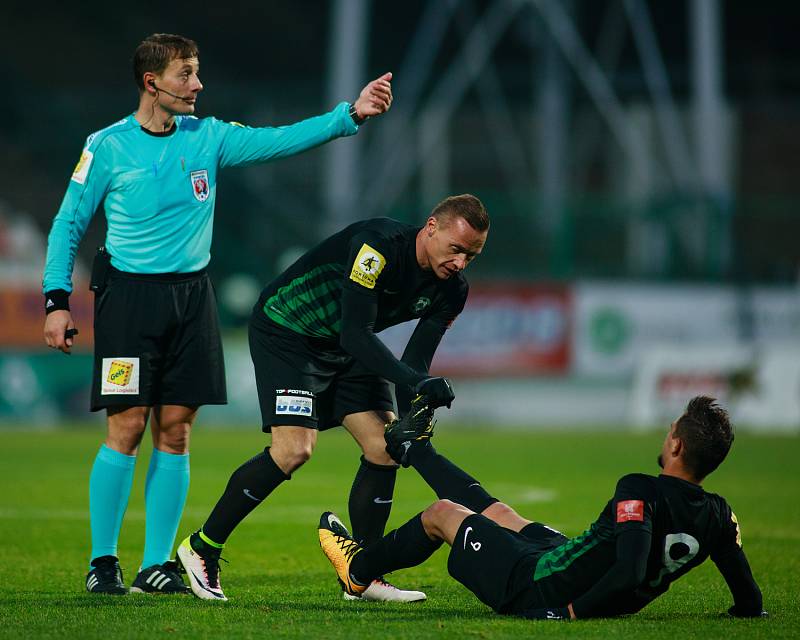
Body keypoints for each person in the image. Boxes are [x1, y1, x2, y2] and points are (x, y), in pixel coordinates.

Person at [41, 32, 393, 596]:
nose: (198, 85)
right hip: (128, 300)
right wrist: (57, 300)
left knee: (176, 431)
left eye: (198, 73)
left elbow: (280, 140)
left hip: (191, 300)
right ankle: (102, 561)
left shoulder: (209, 137)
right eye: (186, 74)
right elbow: (67, 223)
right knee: (127, 426)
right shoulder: (106, 145)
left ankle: (157, 565)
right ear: (152, 82)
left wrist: (348, 115)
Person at [176, 194, 490, 602]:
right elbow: (356, 333)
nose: (461, 262)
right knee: (293, 450)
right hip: (289, 333)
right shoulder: (376, 248)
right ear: (431, 227)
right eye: (456, 249)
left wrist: (414, 413)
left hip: (347, 347)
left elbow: (413, 362)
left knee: (385, 447)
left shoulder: (453, 291)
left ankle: (364, 572)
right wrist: (416, 380)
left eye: (472, 255)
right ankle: (202, 548)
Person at [319, 396, 766, 620]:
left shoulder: (639, 487)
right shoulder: (720, 515)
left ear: (675, 443)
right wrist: (747, 612)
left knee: (441, 514)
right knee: (504, 515)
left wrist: (571, 613)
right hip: (570, 564)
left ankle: (357, 572)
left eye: (669, 430)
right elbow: (749, 597)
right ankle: (418, 451)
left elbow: (630, 570)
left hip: (543, 587)